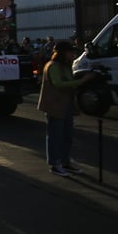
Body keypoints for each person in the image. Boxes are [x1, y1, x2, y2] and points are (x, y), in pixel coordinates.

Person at [37, 40, 96, 177]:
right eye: (70, 52)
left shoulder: (65, 66)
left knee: (67, 135)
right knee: (55, 135)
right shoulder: (53, 66)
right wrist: (83, 80)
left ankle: (65, 161)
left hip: (66, 104)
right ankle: (55, 163)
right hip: (54, 105)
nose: (73, 55)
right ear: (62, 53)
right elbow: (59, 83)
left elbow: (69, 81)